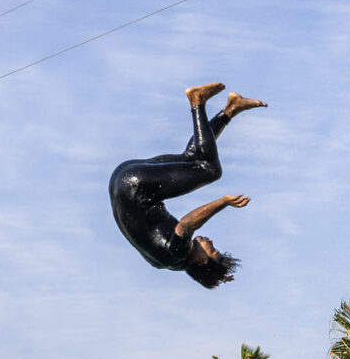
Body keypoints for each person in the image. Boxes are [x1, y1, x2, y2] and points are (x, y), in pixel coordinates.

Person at [109, 82, 264, 288]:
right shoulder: (165, 263)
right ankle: (231, 109)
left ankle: (197, 100)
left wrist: (223, 202)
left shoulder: (177, 256)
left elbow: (186, 224)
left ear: (201, 261)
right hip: (122, 179)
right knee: (193, 159)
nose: (210, 242)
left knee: (210, 170)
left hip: (136, 185)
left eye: (213, 250)